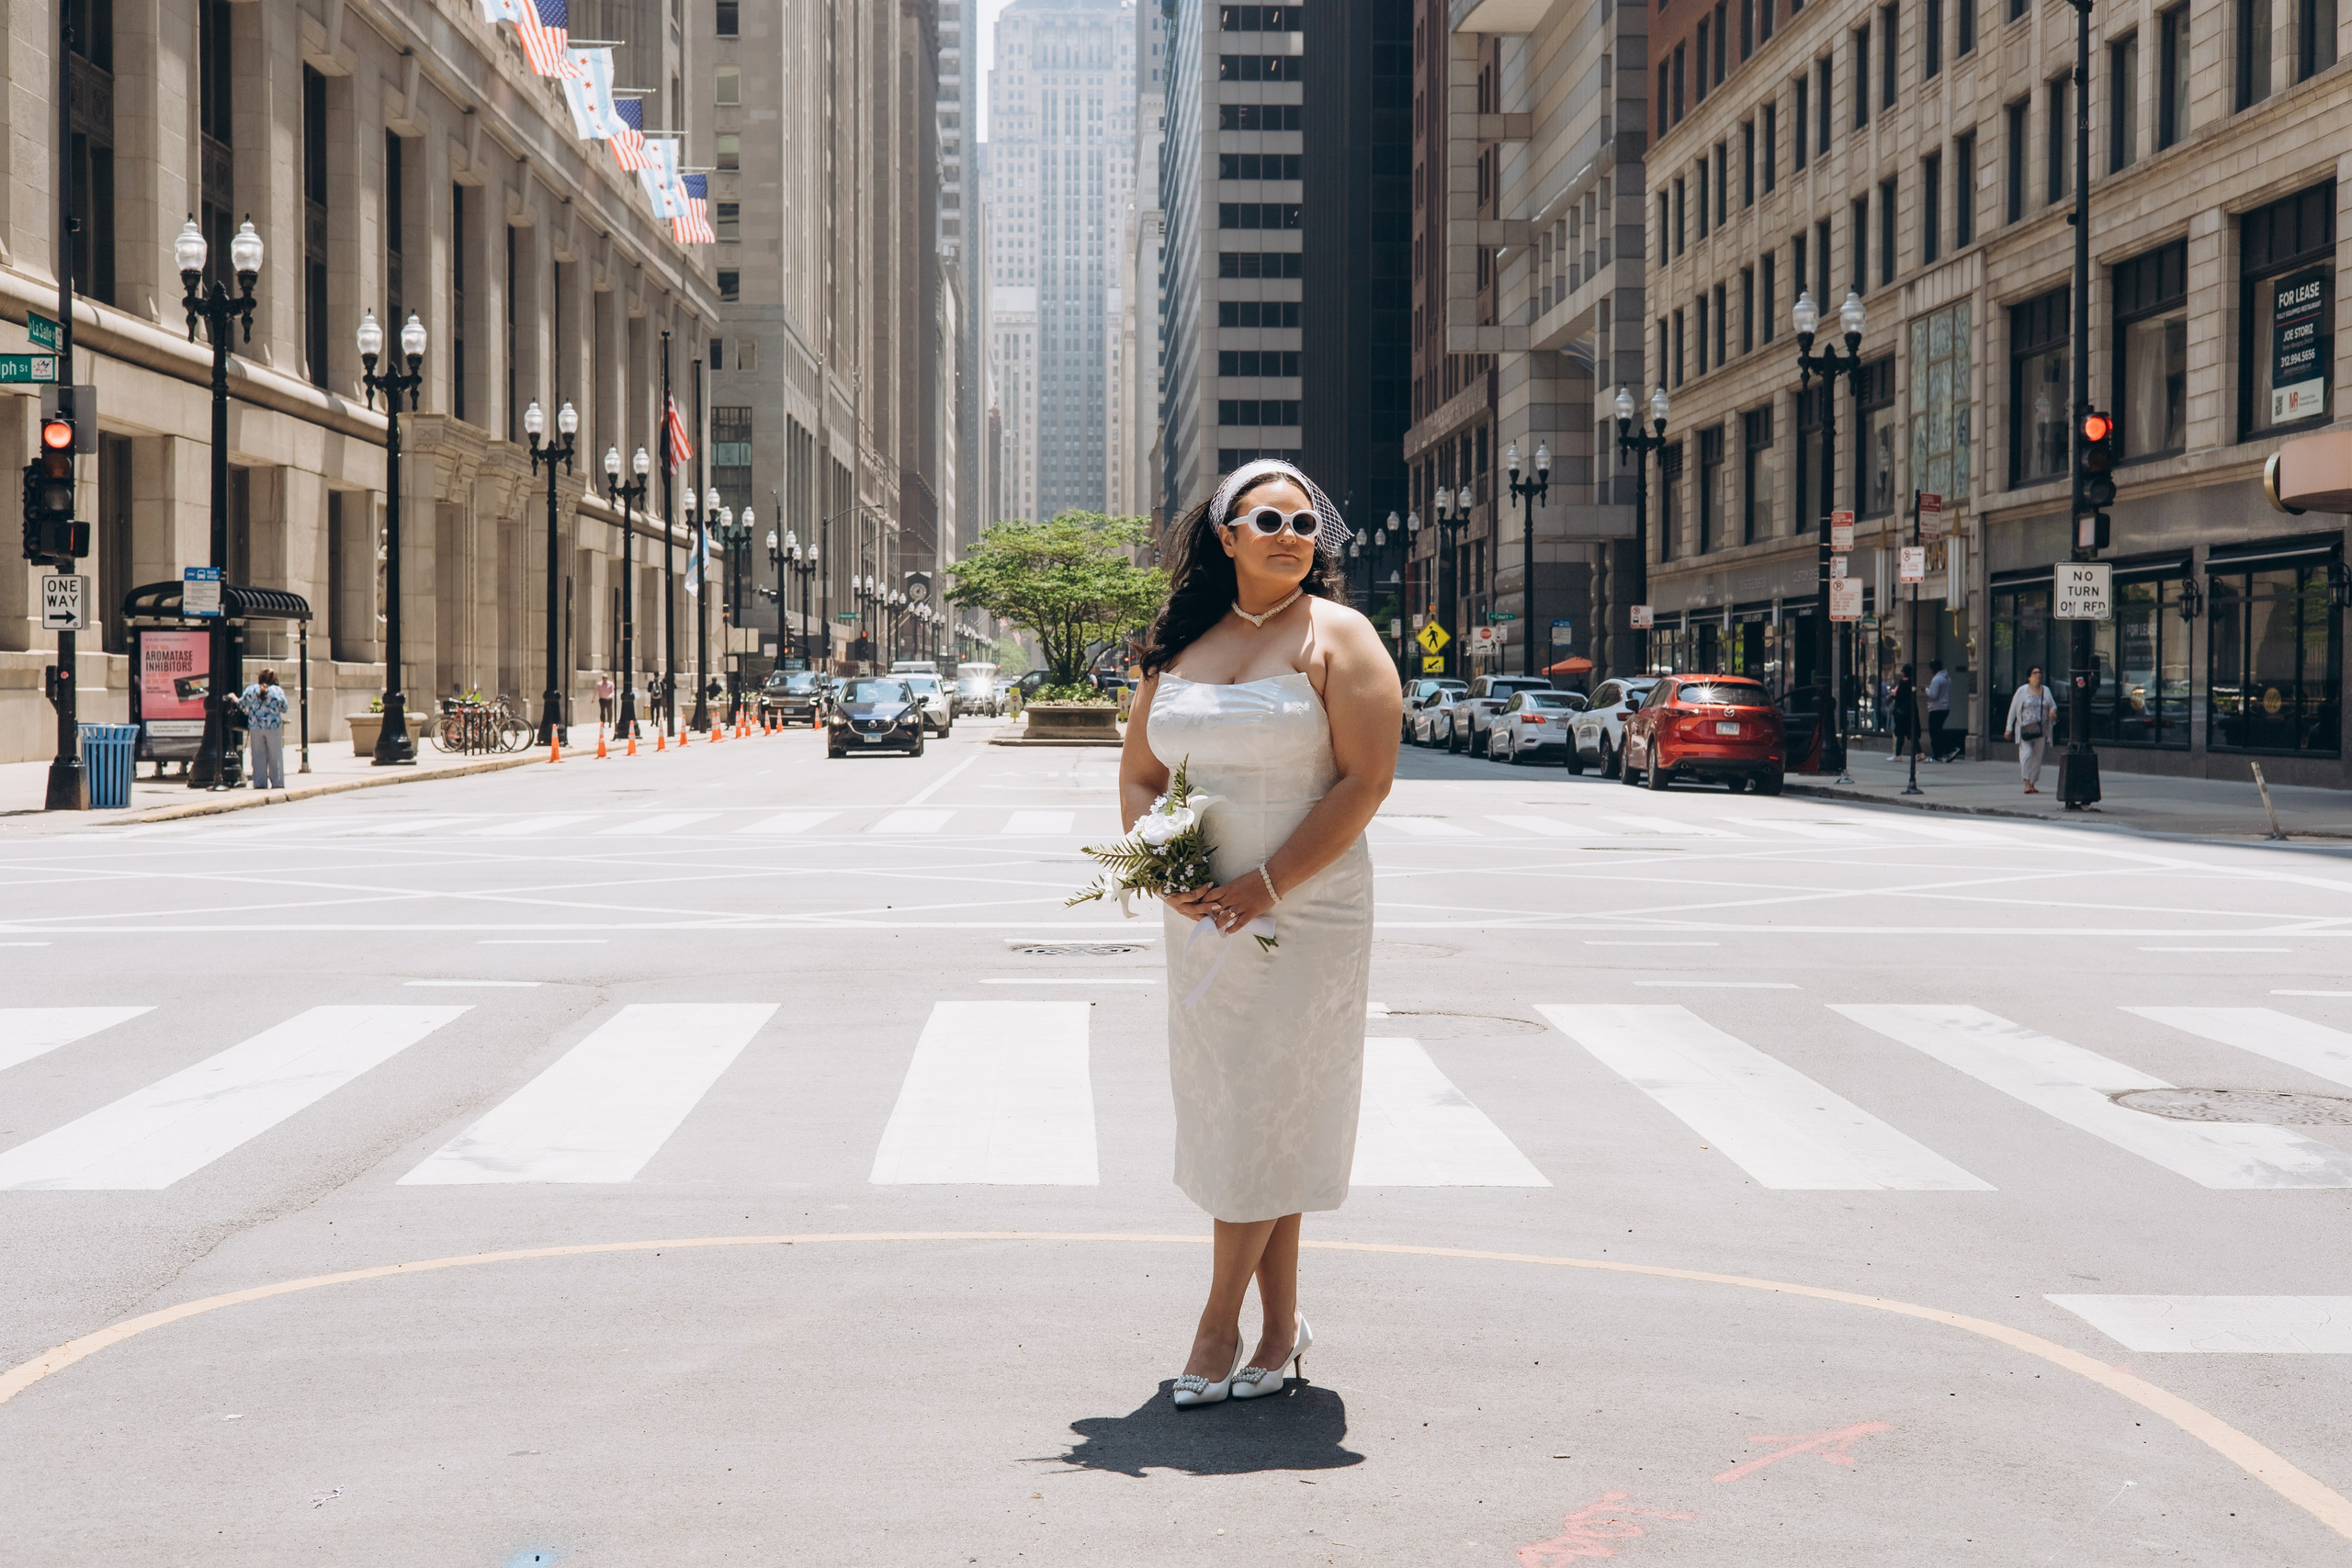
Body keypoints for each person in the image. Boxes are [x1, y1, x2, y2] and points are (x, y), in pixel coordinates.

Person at [1121, 457, 1400, 1409]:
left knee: (1261, 1100)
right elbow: (1141, 777)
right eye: (1267, 517)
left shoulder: (1340, 636)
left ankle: (1216, 1326)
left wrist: (1267, 883)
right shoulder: (1176, 644)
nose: (1289, 531)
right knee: (1243, 1107)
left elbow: (1365, 782)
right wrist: (1163, 873)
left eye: (1305, 521)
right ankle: (1280, 1333)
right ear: (1226, 535)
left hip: (1304, 910)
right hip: (1204, 918)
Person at [2005, 665, 2059, 794]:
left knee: (2037, 758)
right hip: (2026, 730)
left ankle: (2033, 783)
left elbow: (2053, 705)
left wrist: (2052, 710)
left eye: (2039, 673)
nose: (2038, 675)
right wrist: (2009, 728)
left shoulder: (2046, 690)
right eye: (2035, 673)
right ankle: (2026, 783)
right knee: (2026, 755)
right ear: (2029, 677)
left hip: (2041, 730)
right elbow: (2013, 710)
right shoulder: (2022, 691)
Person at [240, 668, 288, 790]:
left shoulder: (251, 689)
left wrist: (233, 697)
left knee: (258, 755)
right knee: (275, 755)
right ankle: (277, 783)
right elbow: (285, 707)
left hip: (255, 727)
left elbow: (241, 704)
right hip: (273, 727)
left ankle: (260, 783)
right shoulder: (277, 691)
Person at [1886, 664, 1918, 760]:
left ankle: (1897, 754)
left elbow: (1899, 697)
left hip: (1901, 712)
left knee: (1900, 733)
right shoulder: (1912, 683)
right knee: (1910, 733)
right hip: (1909, 712)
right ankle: (1919, 752)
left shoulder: (1903, 683)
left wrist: (1893, 696)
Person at [1925, 660, 1954, 761]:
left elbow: (1933, 695)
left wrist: (1926, 689)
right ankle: (1946, 751)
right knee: (1938, 730)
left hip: (1936, 708)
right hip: (1944, 707)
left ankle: (1937, 754)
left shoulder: (1936, 679)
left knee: (1934, 732)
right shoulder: (1947, 678)